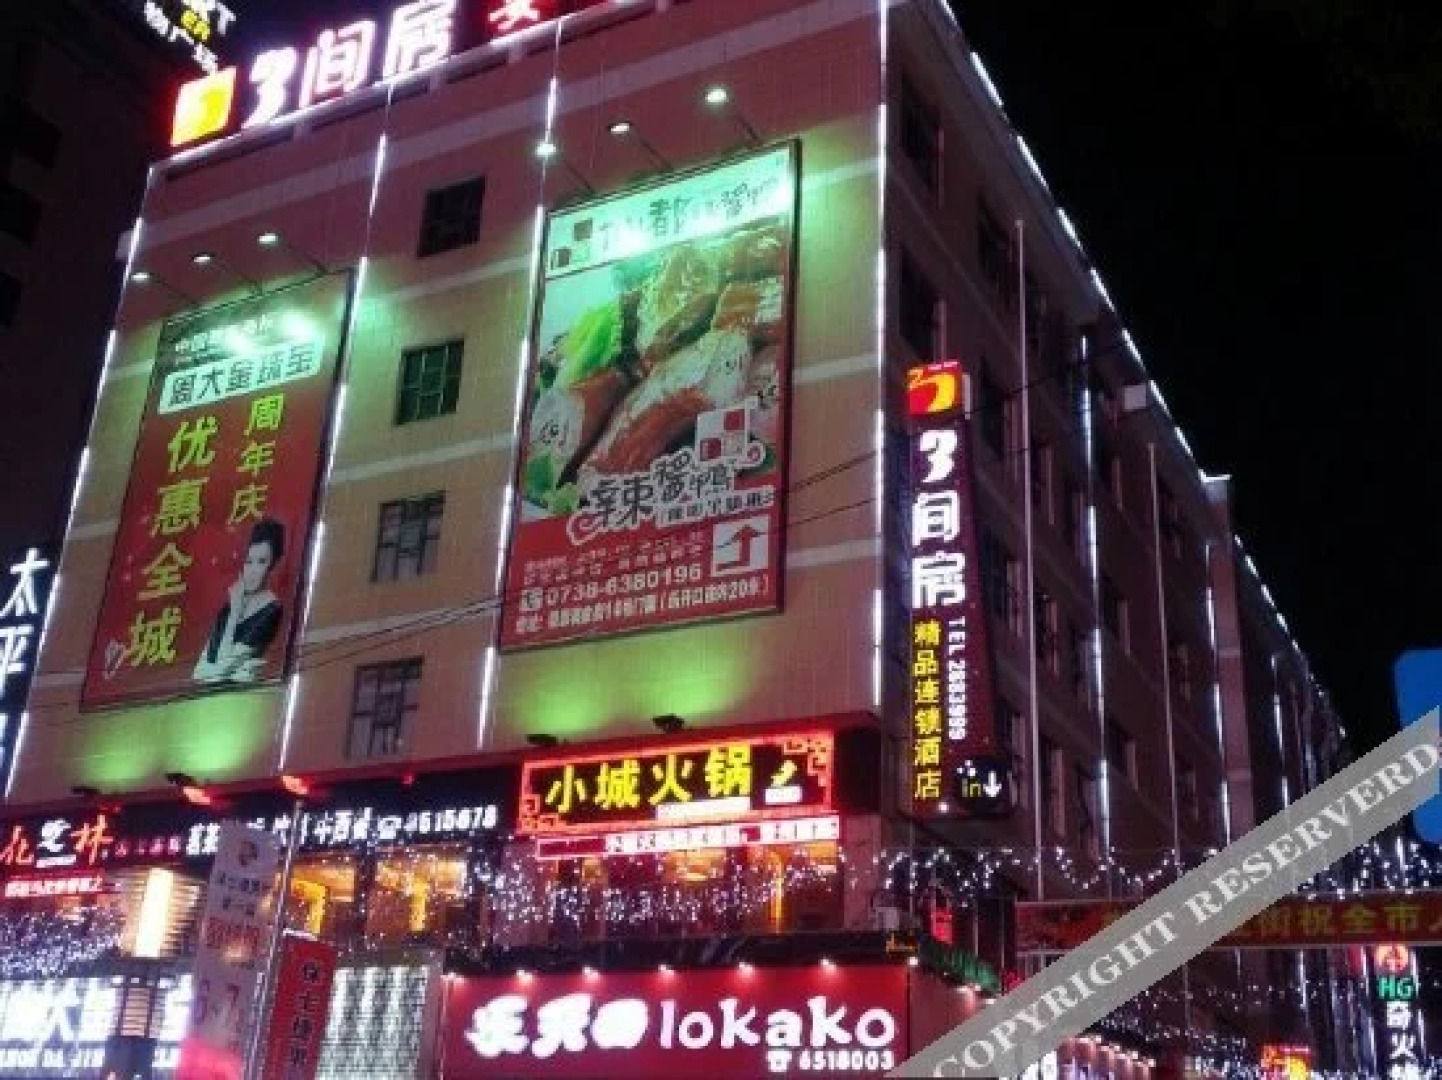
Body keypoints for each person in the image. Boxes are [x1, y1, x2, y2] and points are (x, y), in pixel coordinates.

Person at [193, 518, 285, 684]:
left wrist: (235, 613)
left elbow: (222, 668)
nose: (252, 570)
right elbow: (199, 673)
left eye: (262, 562)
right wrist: (234, 611)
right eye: (248, 562)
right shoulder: (230, 606)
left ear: (273, 564)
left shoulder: (272, 610)